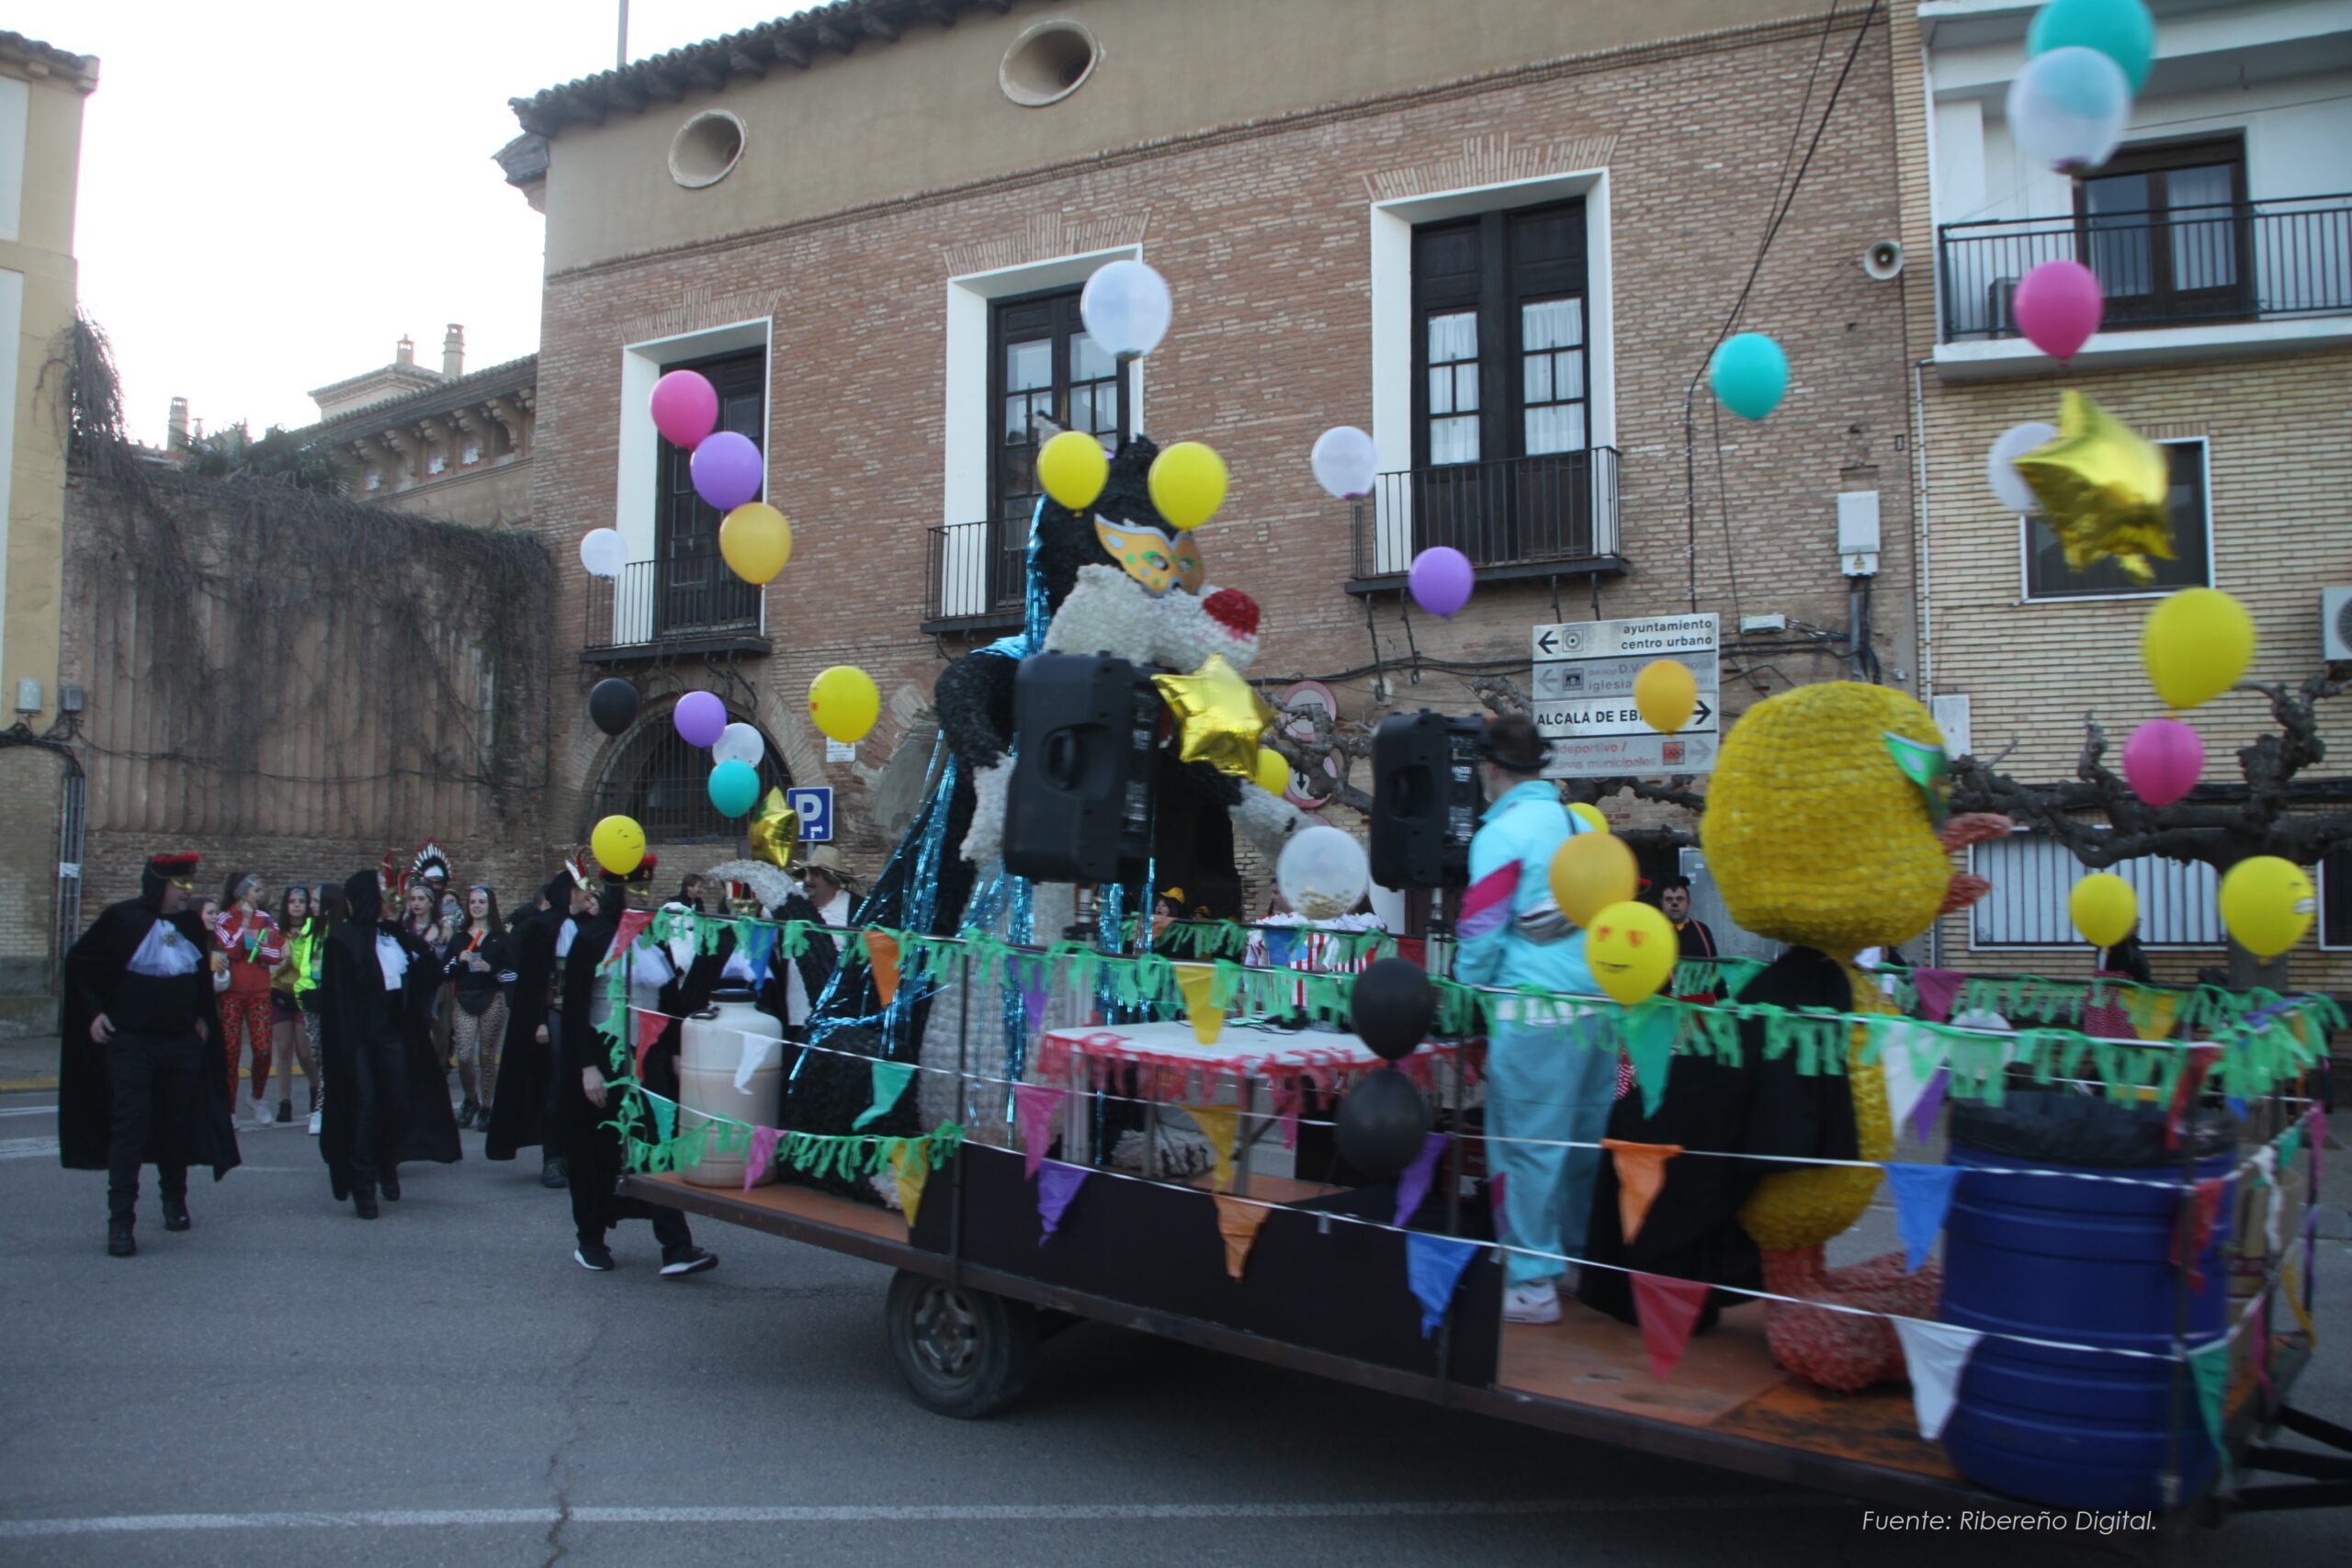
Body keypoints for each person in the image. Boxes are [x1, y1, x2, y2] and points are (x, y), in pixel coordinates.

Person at [1454, 713, 1616, 1326]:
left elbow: (1480, 930)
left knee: (1525, 1148)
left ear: (1491, 767)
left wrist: (1467, 987)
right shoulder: (1578, 824)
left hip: (1533, 1011)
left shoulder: (1502, 833)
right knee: (1579, 1145)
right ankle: (1571, 1260)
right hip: (1600, 1012)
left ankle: (1529, 1281)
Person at [60, 852, 241, 1257]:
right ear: (160, 885)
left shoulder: (191, 926)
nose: (187, 894)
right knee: (130, 1127)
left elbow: (196, 977)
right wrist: (93, 1013)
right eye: (182, 887)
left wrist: (200, 1016)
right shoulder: (121, 919)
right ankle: (120, 1221)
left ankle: (174, 1200)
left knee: (174, 1124)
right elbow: (81, 963)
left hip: (180, 1043)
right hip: (131, 1043)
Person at [560, 871, 717, 1276]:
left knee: (659, 1144)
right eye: (634, 888)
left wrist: (676, 1050)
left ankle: (676, 1246)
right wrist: (587, 1066)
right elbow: (574, 1007)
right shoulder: (591, 938)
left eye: (646, 887)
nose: (642, 895)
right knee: (599, 1151)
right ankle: (590, 1238)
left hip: (649, 1056)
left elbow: (669, 1001)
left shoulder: (653, 937)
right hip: (601, 1055)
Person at [316, 871, 460, 1218]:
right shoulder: (343, 941)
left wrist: (423, 949)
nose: (392, 902)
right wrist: (345, 1048)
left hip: (396, 1035)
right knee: (365, 1106)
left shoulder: (396, 935)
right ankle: (363, 1184)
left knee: (397, 1102)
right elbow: (338, 1001)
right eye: (383, 896)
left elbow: (429, 976)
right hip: (360, 1040)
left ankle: (387, 1161)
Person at [485, 873, 575, 1185]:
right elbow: (530, 979)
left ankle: (579, 1154)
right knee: (554, 1087)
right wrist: (537, 1019)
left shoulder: (590, 924)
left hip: (586, 1016)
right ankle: (554, 1156)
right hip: (553, 1015)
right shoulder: (541, 927)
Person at [213, 872, 286, 1126]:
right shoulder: (224, 919)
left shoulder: (266, 919)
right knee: (231, 1050)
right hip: (232, 993)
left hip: (259, 993)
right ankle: (230, 1108)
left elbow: (277, 953)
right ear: (244, 892)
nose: (261, 895)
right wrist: (244, 925)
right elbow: (231, 949)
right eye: (257, 890)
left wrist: (254, 947)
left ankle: (256, 1097)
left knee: (264, 1049)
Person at [444, 886, 515, 1131]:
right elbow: (443, 971)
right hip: (464, 998)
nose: (476, 906)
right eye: (472, 902)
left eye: (481, 902)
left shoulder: (502, 938)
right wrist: (458, 960)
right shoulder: (460, 937)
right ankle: (470, 1099)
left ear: (490, 906)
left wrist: (492, 970)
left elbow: (514, 974)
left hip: (492, 998)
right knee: (463, 1056)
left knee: (487, 1055)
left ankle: (487, 1106)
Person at [268, 884, 324, 1125]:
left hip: (304, 995)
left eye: (302, 901)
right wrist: (281, 960)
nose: (298, 906)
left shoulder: (313, 930)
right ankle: (284, 1102)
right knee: (283, 1050)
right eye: (292, 902)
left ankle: (315, 1088)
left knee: (305, 1051)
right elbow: (269, 965)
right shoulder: (275, 932)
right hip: (280, 992)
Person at [306, 882, 347, 1134]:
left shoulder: (342, 933)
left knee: (329, 1057)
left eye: (314, 900)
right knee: (317, 1056)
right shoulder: (310, 930)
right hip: (312, 1000)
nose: (310, 905)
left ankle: (321, 1109)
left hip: (336, 1002)